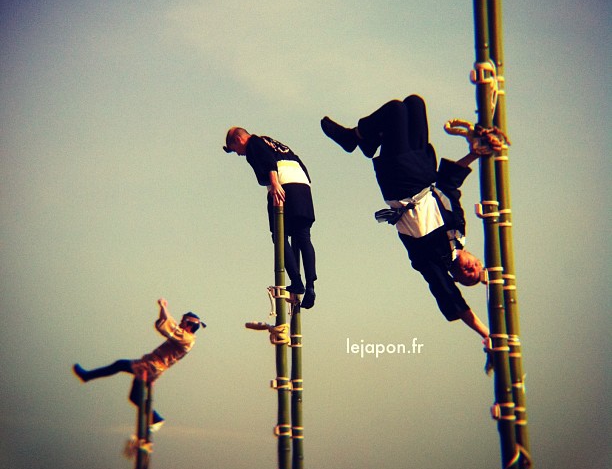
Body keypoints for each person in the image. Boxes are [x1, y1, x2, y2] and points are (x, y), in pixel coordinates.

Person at [321, 95, 489, 340]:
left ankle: (354, 137)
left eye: (468, 276)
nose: (471, 269)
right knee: (414, 103)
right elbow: (449, 186)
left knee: (395, 111)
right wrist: (474, 154)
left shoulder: (433, 262)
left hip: (400, 183)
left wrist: (485, 333)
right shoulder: (459, 229)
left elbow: (450, 298)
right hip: (424, 171)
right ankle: (366, 139)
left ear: (456, 276)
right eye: (476, 268)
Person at [73, 298, 204, 429]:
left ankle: (86, 376)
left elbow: (170, 326)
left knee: (120, 364)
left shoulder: (186, 339)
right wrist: (162, 308)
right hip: (151, 365)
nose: (180, 323)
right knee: (134, 397)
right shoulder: (184, 336)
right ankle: (156, 419)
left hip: (151, 366)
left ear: (189, 326)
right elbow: (168, 323)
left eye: (183, 322)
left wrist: (163, 306)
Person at [224, 127, 317, 309]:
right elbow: (300, 164)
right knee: (303, 237)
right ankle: (311, 286)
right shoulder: (273, 142)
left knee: (279, 235)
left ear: (238, 139)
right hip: (303, 187)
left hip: (283, 186)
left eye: (235, 149)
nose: (238, 154)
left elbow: (268, 162)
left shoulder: (253, 142)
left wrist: (275, 184)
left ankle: (297, 281)